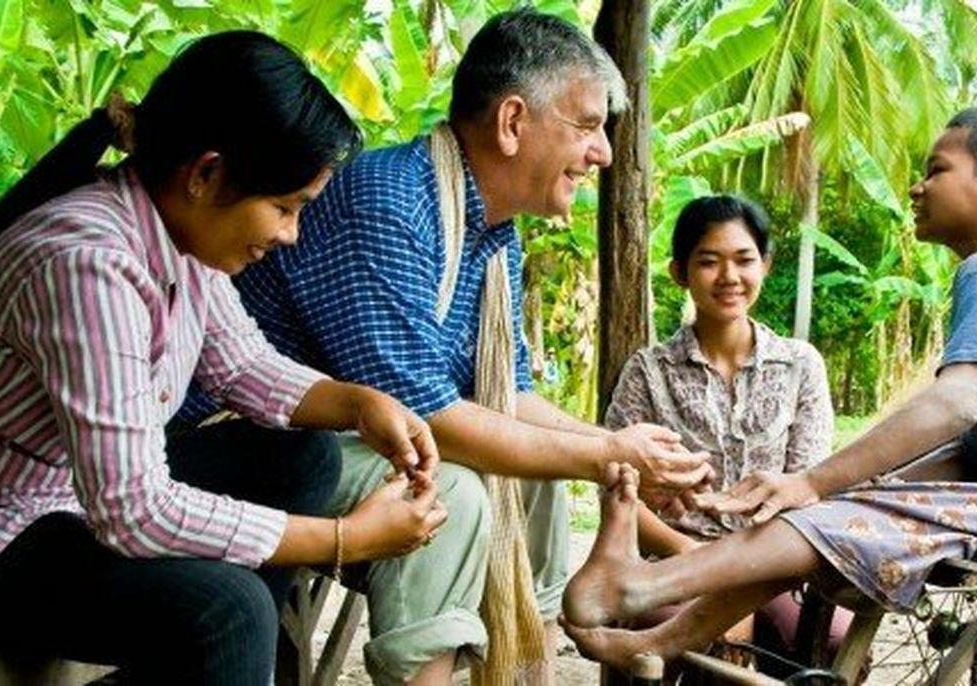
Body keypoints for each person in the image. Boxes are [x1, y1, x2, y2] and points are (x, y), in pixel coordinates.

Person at [0, 31, 447, 686]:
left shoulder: (176, 234)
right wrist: (345, 539)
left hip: (49, 503)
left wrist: (358, 404)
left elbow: (241, 367)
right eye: (285, 208)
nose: (289, 235)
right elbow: (134, 509)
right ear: (206, 174)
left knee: (303, 459)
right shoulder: (88, 262)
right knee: (229, 613)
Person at [177, 9, 711, 683]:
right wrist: (604, 450)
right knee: (448, 490)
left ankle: (526, 671)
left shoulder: (495, 237)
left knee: (546, 477)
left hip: (339, 439)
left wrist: (615, 453)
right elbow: (423, 415)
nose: (603, 151)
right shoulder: (390, 201)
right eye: (587, 125)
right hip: (244, 444)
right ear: (513, 123)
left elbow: (508, 393)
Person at [560, 105, 977, 667]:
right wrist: (853, 487)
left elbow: (956, 406)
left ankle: (641, 588)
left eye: (936, 170)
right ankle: (661, 634)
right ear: (682, 272)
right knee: (827, 512)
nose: (917, 187)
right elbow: (974, 446)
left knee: (819, 516)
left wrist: (816, 482)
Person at [602, 195, 851, 660]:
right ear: (680, 273)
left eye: (744, 260)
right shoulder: (649, 371)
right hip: (675, 561)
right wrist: (691, 556)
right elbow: (617, 493)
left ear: (766, 265)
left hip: (777, 565)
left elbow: (809, 488)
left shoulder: (800, 365)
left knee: (836, 640)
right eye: (709, 262)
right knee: (678, 637)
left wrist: (744, 573)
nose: (729, 277)